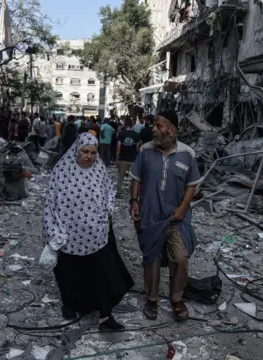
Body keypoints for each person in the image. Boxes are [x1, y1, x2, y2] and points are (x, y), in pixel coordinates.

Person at [43, 133, 134, 331]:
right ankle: (71, 304)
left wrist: (108, 208)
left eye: (93, 152)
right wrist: (52, 231)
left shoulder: (99, 169)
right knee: (69, 274)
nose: (89, 156)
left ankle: (105, 317)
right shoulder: (62, 171)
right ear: (77, 150)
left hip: (96, 235)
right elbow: (50, 203)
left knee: (100, 274)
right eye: (85, 151)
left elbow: (110, 190)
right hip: (68, 237)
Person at [130, 110, 201, 322]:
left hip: (175, 218)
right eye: (154, 125)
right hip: (150, 216)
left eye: (159, 126)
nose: (154, 129)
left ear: (172, 130)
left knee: (179, 257)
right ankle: (151, 299)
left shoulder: (187, 154)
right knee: (151, 259)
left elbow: (192, 185)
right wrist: (134, 202)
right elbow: (136, 178)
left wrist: (182, 209)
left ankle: (177, 299)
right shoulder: (145, 150)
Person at [116, 117, 140, 194]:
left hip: (122, 158)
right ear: (132, 125)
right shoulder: (136, 135)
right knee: (133, 178)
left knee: (120, 177)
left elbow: (118, 148)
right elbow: (137, 148)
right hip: (133, 159)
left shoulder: (121, 134)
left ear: (125, 125)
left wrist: (117, 159)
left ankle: (119, 192)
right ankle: (133, 193)